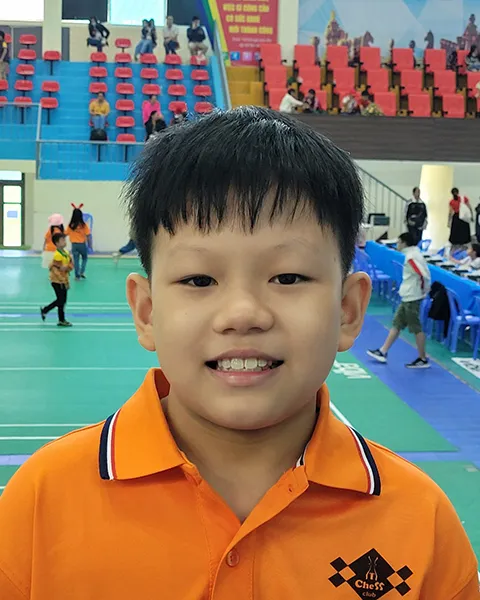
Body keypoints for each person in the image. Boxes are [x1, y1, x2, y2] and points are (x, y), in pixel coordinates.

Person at [0, 108, 478, 599]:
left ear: (348, 310)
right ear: (146, 311)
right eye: (198, 279)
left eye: (287, 277)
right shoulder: (40, 504)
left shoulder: (421, 525)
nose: (243, 313)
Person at [368, 231, 431, 369]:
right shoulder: (412, 254)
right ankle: (383, 351)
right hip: (408, 296)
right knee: (397, 323)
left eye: (398, 242)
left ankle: (422, 358)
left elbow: (422, 275)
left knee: (416, 327)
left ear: (404, 243)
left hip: (412, 297)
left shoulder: (412, 257)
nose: (397, 244)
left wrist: (423, 291)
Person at [39, 232, 73, 327]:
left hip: (64, 279)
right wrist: (62, 279)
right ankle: (58, 318)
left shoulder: (66, 253)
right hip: (57, 281)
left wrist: (67, 268)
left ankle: (49, 312)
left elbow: (70, 264)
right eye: (62, 240)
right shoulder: (57, 255)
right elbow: (55, 269)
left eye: (64, 240)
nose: (64, 242)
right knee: (61, 300)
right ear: (57, 243)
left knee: (62, 300)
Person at [66, 206, 91, 281]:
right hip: (82, 244)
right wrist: (90, 245)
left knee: (76, 260)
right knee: (84, 258)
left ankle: (77, 276)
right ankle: (82, 272)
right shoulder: (84, 225)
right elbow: (88, 235)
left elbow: (65, 233)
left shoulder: (71, 225)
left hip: (74, 245)